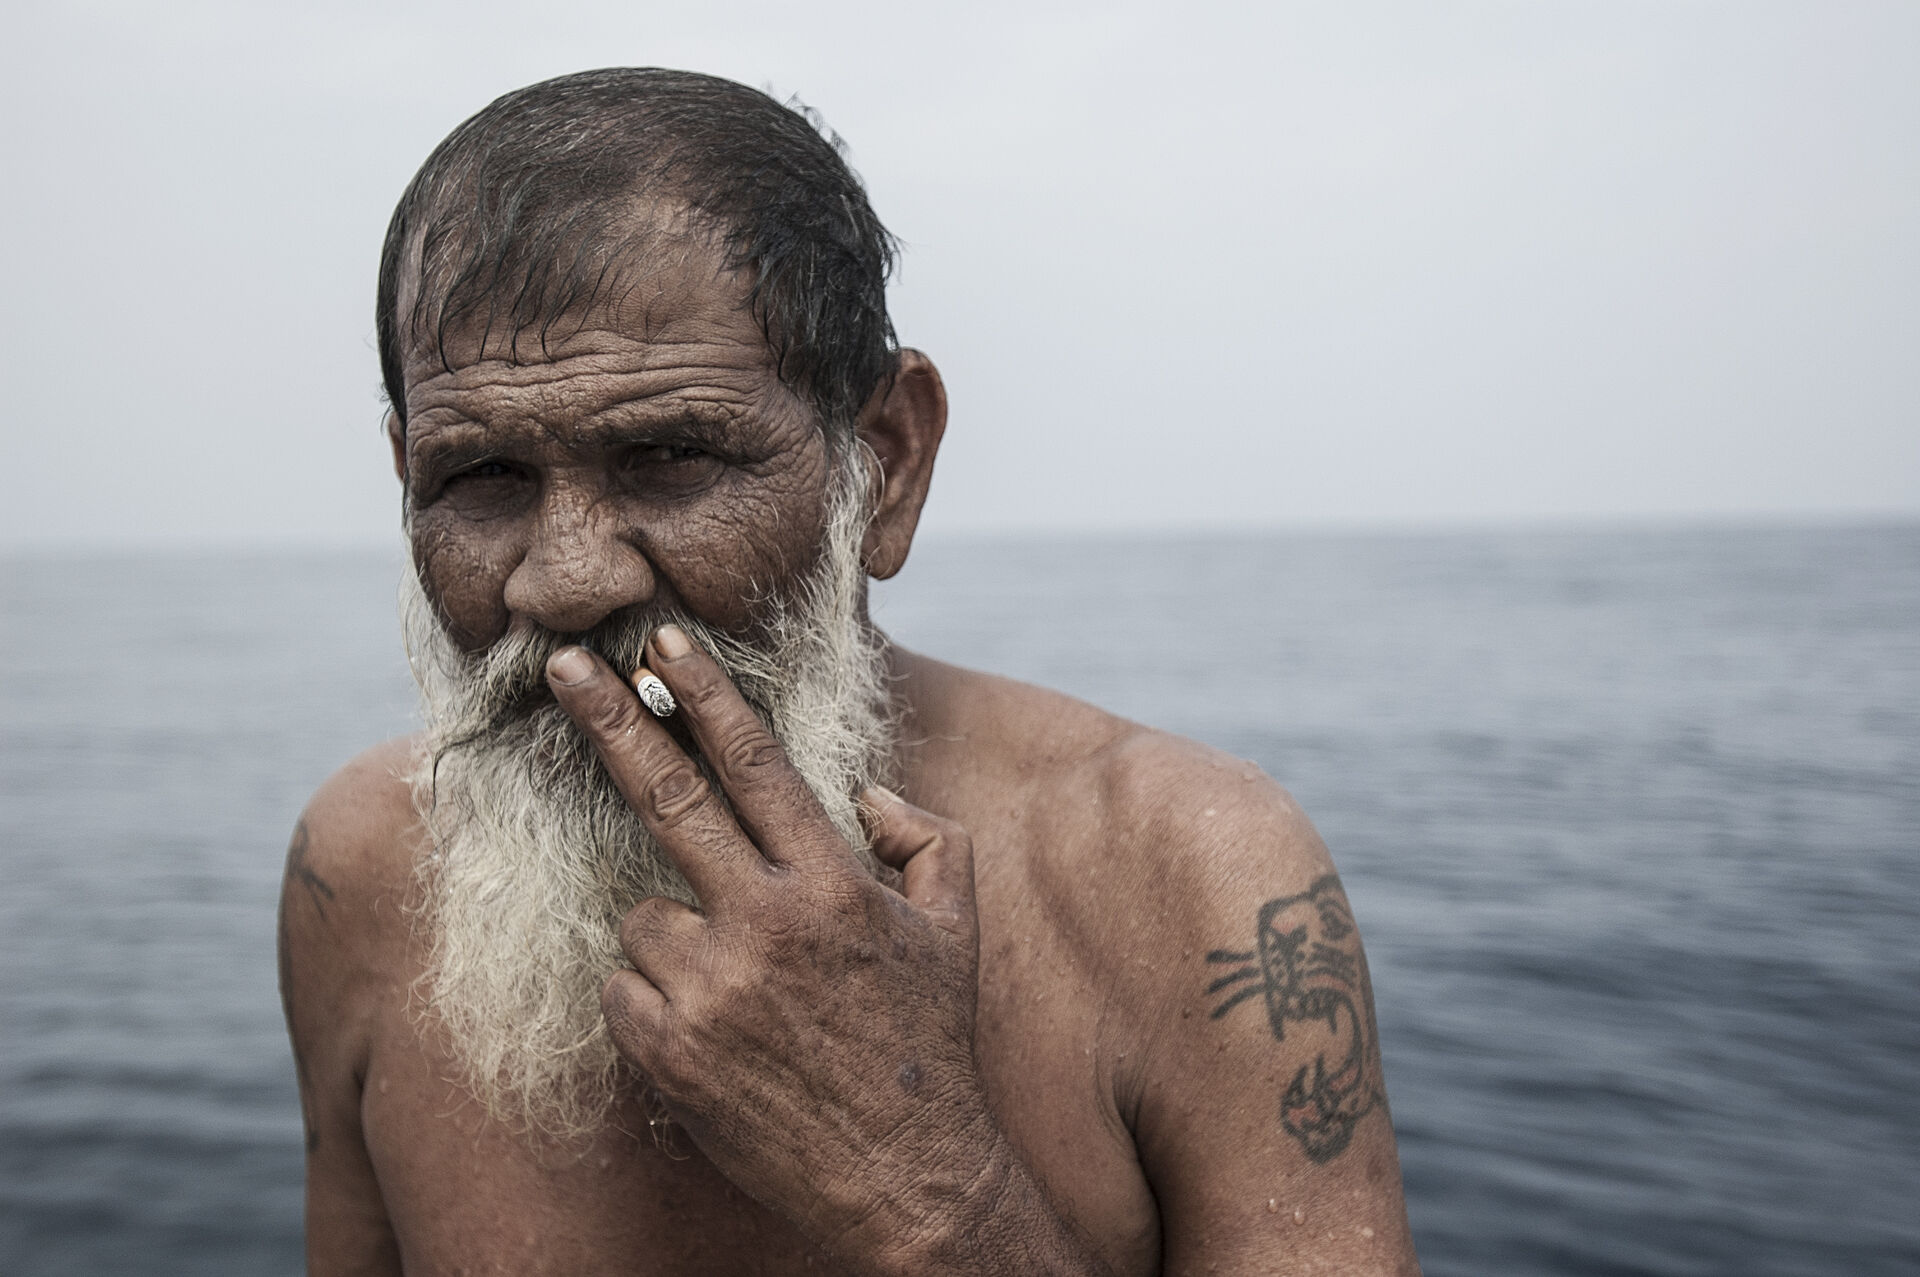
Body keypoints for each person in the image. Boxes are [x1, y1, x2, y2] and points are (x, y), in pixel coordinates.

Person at [278, 66, 1421, 1276]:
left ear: (885, 463)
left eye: (672, 455)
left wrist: (925, 1180)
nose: (564, 582)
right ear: (406, 476)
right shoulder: (358, 870)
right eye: (480, 477)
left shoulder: (1184, 873)